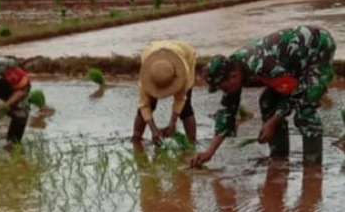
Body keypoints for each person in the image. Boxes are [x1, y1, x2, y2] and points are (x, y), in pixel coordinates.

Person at [191, 25, 335, 167]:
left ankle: (313, 166)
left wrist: (271, 123)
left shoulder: (262, 64)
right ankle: (279, 157)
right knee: (267, 101)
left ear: (233, 76)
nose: (224, 92)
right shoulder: (233, 68)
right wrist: (208, 153)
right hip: (291, 65)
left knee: (305, 107)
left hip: (317, 49)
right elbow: (226, 113)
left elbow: (293, 92)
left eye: (223, 87)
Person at [131, 41, 197, 148]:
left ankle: (192, 142)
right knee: (149, 102)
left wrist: (172, 123)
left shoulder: (183, 70)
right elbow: (144, 105)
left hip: (185, 55)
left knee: (185, 107)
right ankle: (136, 138)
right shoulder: (149, 71)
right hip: (152, 51)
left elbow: (181, 99)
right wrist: (154, 130)